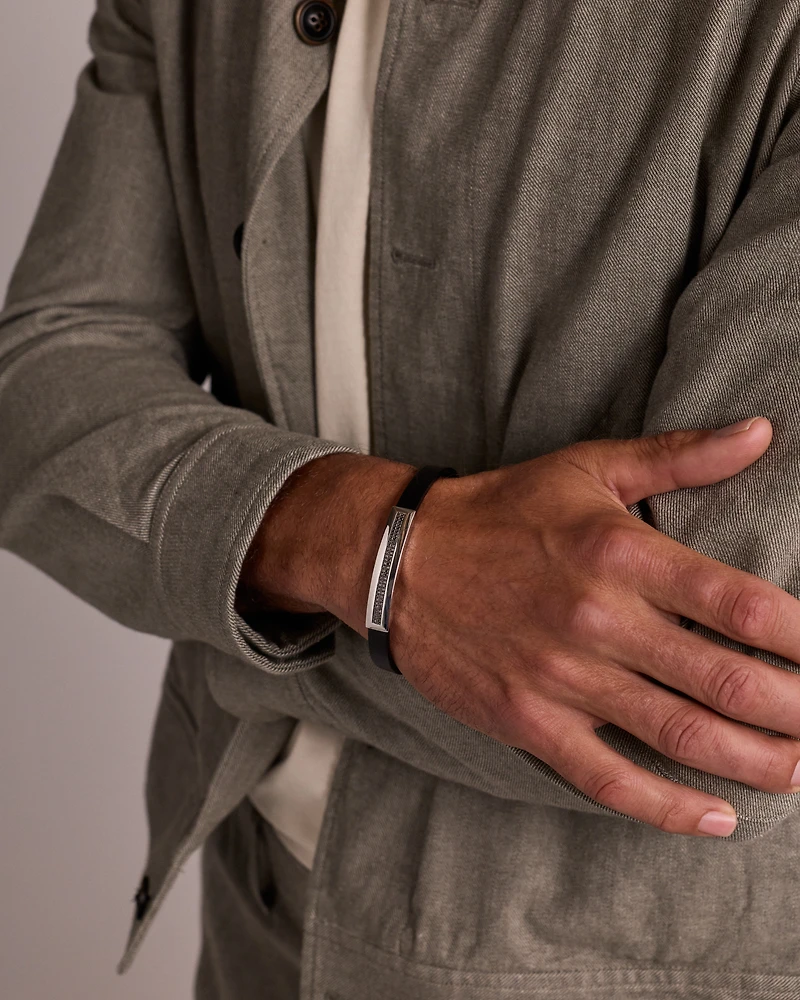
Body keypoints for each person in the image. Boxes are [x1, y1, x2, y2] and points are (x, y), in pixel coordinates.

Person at [3, 0, 800, 996]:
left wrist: (230, 589)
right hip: (253, 915)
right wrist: (376, 556)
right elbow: (45, 374)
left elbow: (728, 719)